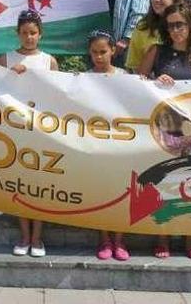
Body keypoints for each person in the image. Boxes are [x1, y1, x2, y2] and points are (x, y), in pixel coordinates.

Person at [137, 3, 191, 260]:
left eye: (180, 24)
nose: (175, 30)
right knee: (166, 185)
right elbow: (136, 84)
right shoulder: (157, 51)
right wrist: (154, 82)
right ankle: (163, 237)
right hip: (165, 131)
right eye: (170, 25)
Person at [0, 10, 58, 258]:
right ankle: (24, 235)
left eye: (33, 33)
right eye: (25, 33)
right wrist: (8, 74)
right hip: (14, 130)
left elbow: (58, 94)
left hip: (40, 130)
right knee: (20, 186)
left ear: (40, 34)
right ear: (17, 34)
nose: (29, 37)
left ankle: (37, 237)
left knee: (39, 186)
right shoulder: (6, 58)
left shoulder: (49, 60)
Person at [85, 30, 129, 260]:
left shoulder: (125, 76)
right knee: (102, 194)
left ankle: (120, 241)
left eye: (103, 52)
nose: (99, 57)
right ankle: (104, 240)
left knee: (121, 194)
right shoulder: (83, 78)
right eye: (94, 52)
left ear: (113, 50)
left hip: (121, 144)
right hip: (96, 144)